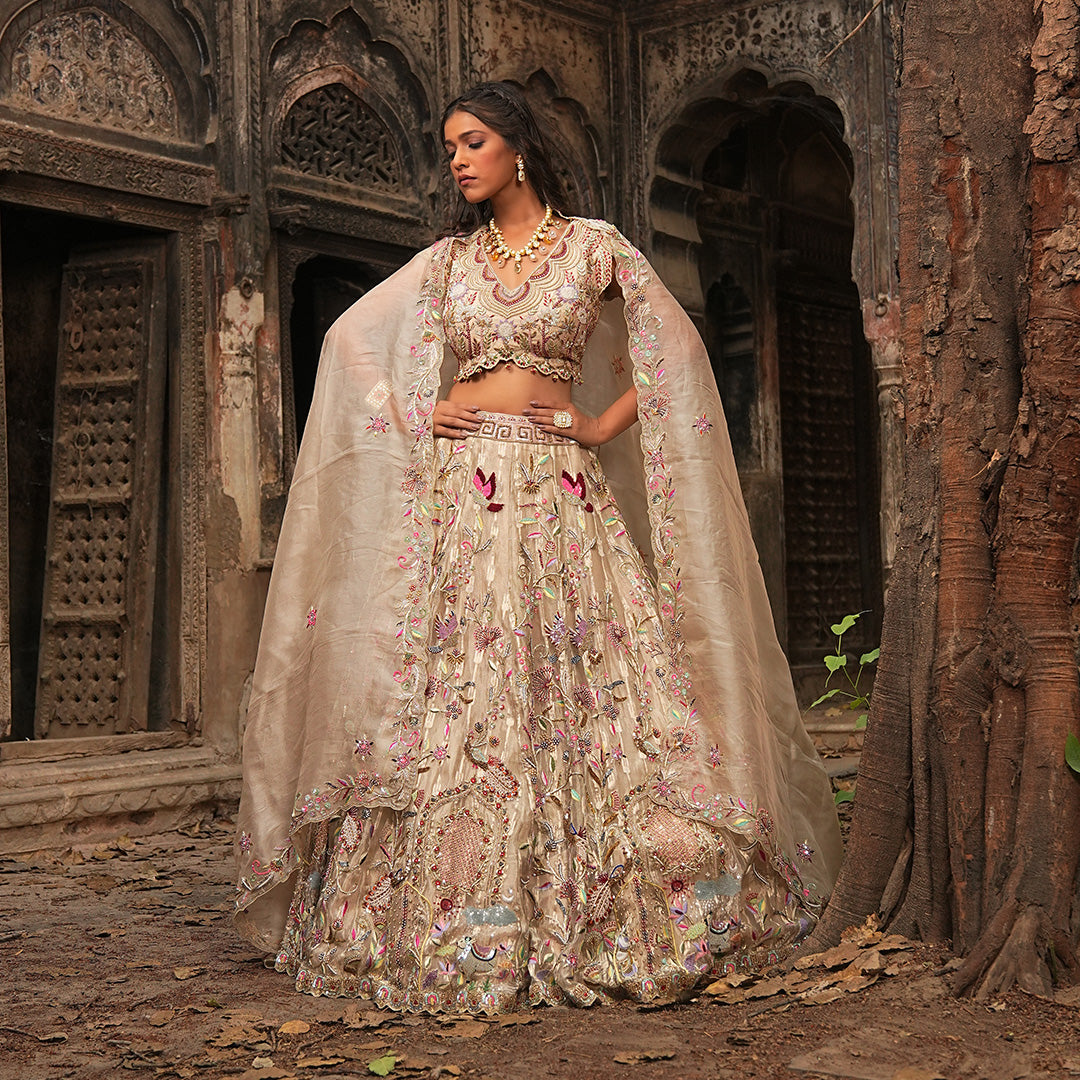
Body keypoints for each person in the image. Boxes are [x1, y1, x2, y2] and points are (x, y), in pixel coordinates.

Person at [234, 81, 842, 1014]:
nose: (459, 160)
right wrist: (416, 408)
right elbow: (353, 341)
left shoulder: (595, 249)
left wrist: (599, 425)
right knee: (459, 692)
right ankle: (450, 917)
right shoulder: (446, 265)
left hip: (564, 503)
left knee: (589, 694)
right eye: (449, 148)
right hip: (464, 502)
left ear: (520, 147)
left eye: (474, 142)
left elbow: (674, 356)